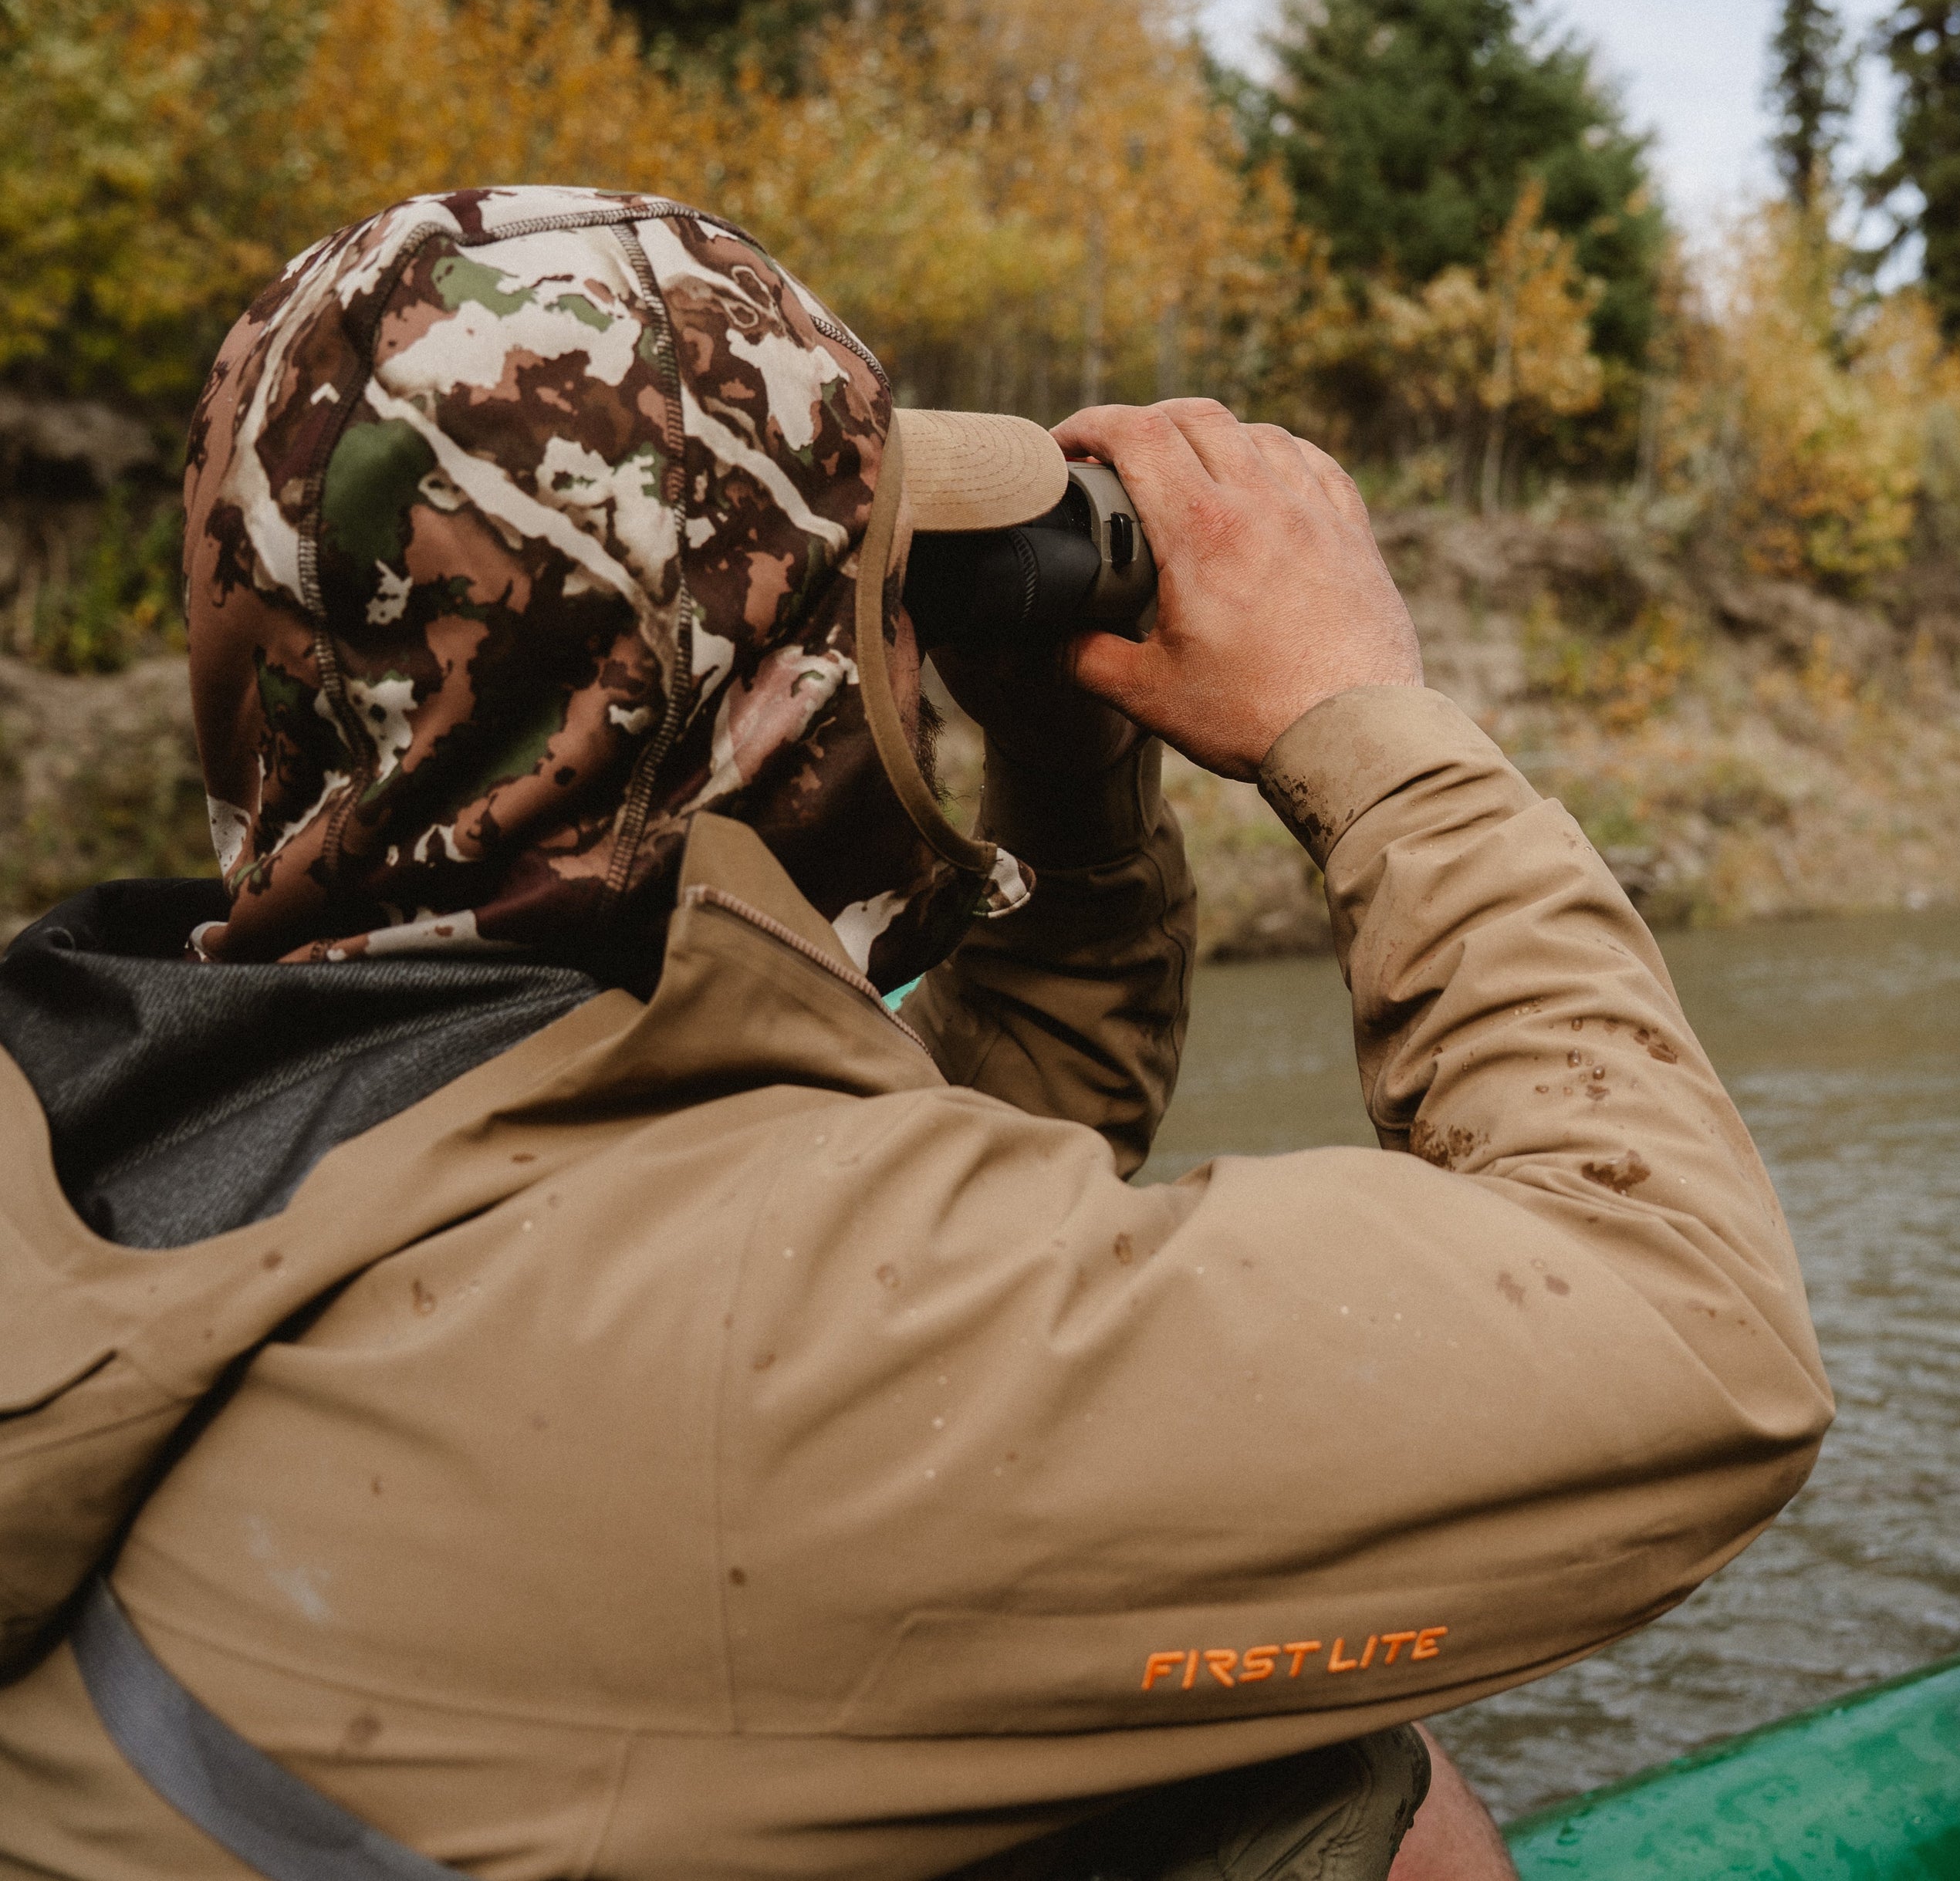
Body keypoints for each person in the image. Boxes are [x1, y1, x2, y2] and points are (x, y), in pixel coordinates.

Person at [0, 188, 1832, 1880]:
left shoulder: (187, 1084)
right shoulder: (751, 1359)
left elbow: (962, 1165)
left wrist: (1064, 771)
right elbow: (1694, 1332)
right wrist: (1361, 715)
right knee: (1343, 1792)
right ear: (765, 694)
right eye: (870, 594)